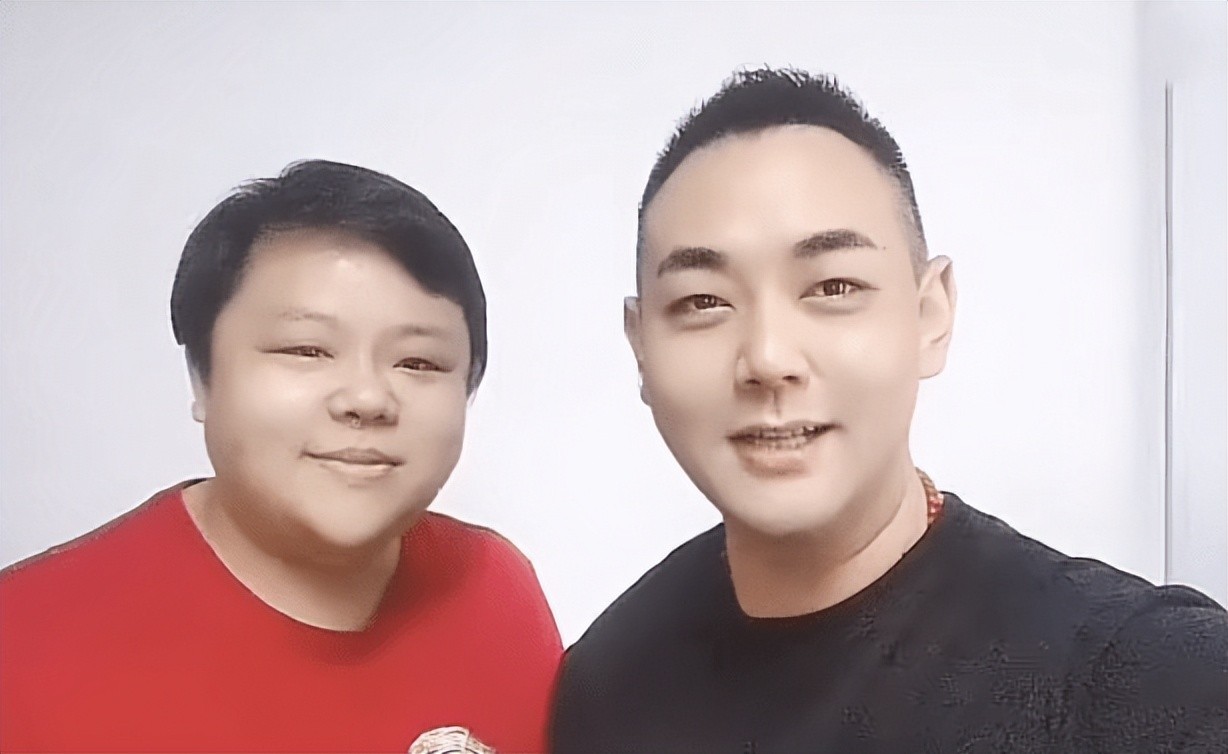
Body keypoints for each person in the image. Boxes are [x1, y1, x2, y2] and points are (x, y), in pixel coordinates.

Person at [550, 68, 1228, 752]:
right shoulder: (605, 681)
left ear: (930, 313)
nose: (768, 357)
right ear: (641, 346)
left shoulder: (1151, 683)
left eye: (832, 286)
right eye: (704, 302)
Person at [1, 160, 562, 753]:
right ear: (202, 377)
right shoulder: (24, 642)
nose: (367, 398)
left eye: (418, 362)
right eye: (306, 350)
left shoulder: (495, 589)